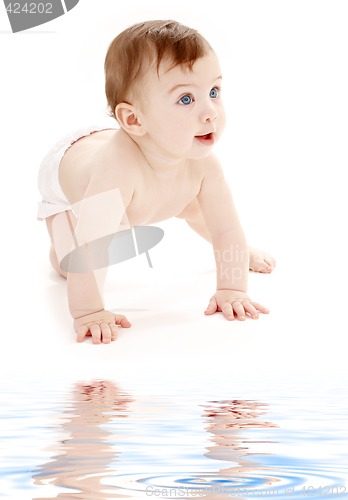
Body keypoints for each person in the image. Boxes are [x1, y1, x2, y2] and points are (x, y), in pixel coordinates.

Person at [37, 20, 275, 344]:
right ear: (134, 120)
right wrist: (89, 313)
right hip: (67, 170)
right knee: (69, 261)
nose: (211, 113)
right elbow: (89, 252)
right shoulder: (114, 173)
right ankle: (60, 235)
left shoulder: (203, 164)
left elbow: (226, 229)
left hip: (149, 160)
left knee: (201, 211)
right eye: (186, 100)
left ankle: (237, 254)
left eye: (214, 92)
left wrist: (231, 288)